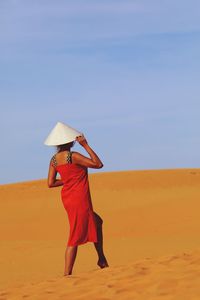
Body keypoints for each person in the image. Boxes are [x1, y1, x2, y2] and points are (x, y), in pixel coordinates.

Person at [47, 133, 108, 276]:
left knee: (97, 221)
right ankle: (67, 274)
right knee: (75, 234)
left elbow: (51, 183)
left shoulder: (54, 160)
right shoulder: (73, 156)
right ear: (70, 141)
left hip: (68, 198)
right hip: (79, 197)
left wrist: (68, 180)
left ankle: (102, 259)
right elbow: (98, 164)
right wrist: (85, 145)